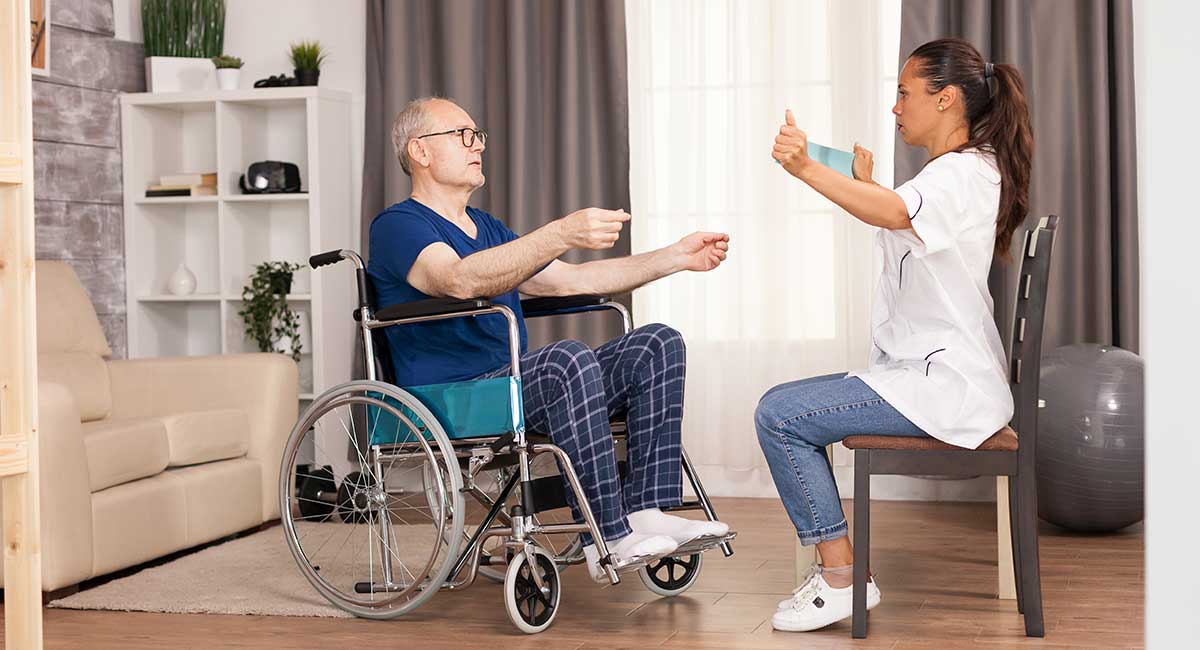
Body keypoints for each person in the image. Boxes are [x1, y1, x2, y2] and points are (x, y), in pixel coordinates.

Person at [367, 97, 732, 580]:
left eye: (478, 135)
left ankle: (646, 511)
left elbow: (570, 281)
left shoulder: (488, 228)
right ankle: (607, 537)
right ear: (420, 151)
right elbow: (457, 279)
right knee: (566, 360)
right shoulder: (398, 225)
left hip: (511, 385)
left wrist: (675, 257)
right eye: (463, 135)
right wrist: (561, 231)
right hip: (453, 396)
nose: (477, 146)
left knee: (657, 344)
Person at [759, 38, 1033, 631]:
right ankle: (837, 573)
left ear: (947, 99)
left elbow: (892, 214)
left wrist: (806, 167)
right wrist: (864, 183)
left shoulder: (962, 174)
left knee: (779, 415)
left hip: (946, 386)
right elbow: (895, 211)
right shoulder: (958, 173)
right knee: (784, 409)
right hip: (929, 376)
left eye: (905, 93)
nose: (896, 107)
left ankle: (840, 578)